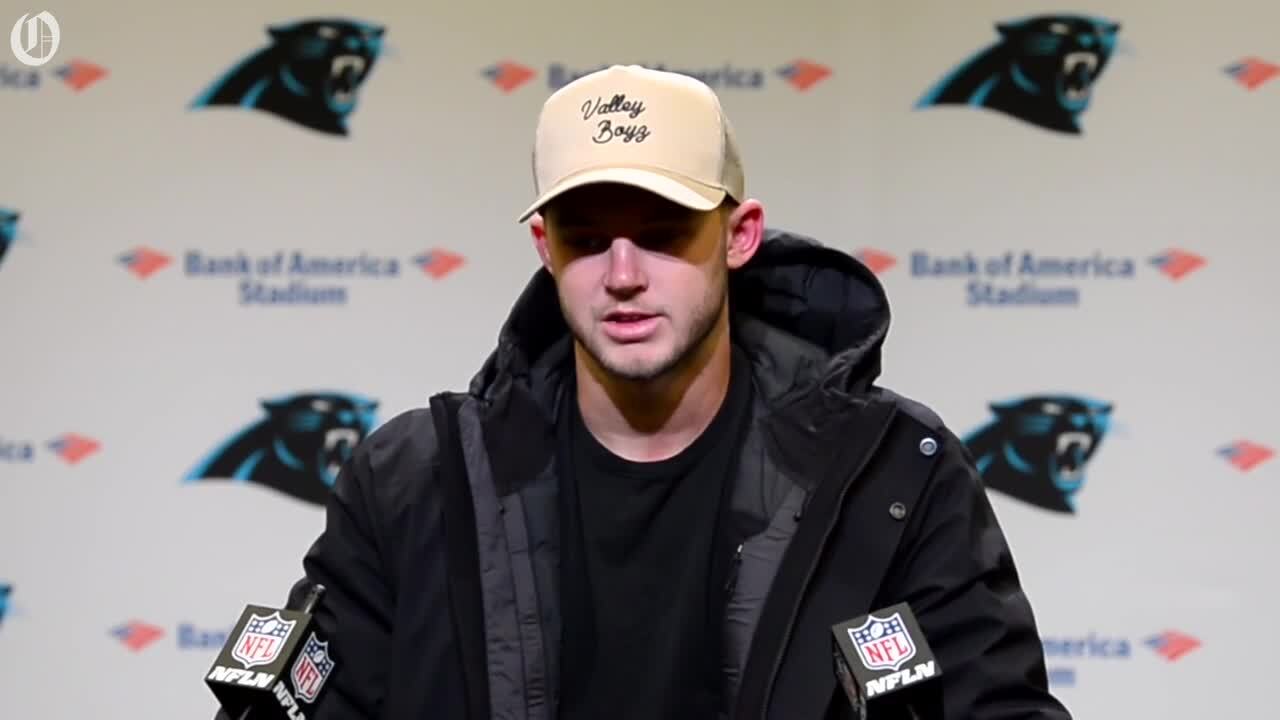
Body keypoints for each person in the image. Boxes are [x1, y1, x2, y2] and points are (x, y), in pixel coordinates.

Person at [216, 64, 1071, 719]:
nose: (623, 275)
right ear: (545, 246)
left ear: (739, 236)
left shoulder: (893, 473)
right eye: (590, 240)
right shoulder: (411, 480)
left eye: (662, 235)